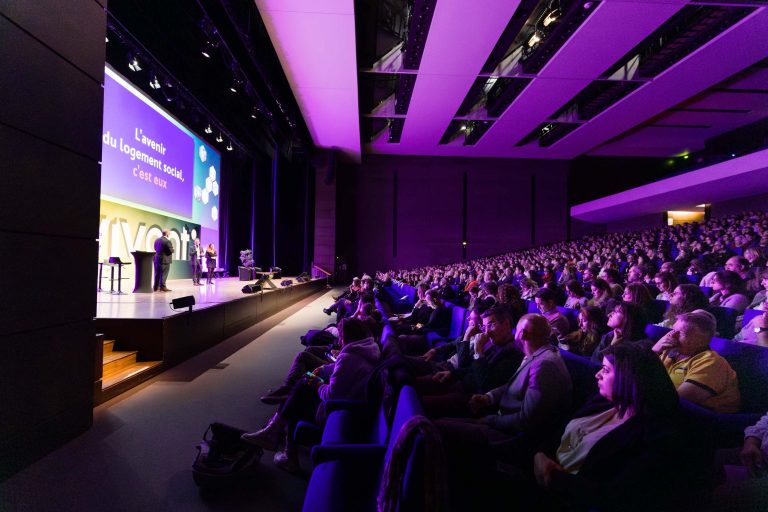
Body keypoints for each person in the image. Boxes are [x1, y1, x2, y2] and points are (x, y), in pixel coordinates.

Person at [532, 344, 691, 512]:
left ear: (629, 378)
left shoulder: (657, 435)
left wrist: (552, 476)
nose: (597, 375)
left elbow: (614, 496)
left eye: (606, 370)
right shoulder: (603, 400)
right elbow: (560, 432)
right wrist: (540, 453)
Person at [241, 318, 380, 472]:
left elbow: (330, 395)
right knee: (302, 384)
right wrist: (323, 370)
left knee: (298, 394)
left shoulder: (349, 358)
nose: (339, 341)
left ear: (348, 337)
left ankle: (280, 443)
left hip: (339, 410)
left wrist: (317, 383)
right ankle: (275, 433)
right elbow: (342, 371)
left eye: (341, 337)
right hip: (348, 405)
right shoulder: (367, 349)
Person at [652, 309, 741, 413]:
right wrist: (654, 351)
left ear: (701, 339)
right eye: (673, 330)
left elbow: (674, 401)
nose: (672, 336)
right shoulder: (669, 352)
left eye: (680, 333)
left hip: (704, 421)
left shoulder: (711, 363)